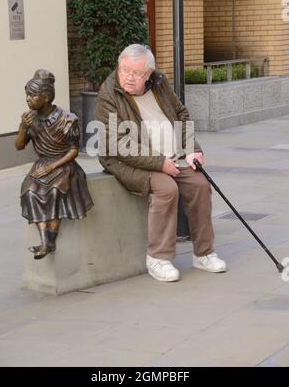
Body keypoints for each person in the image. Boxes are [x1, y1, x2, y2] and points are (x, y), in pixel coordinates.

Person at [96, 44, 226, 282]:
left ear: (148, 74)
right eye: (125, 70)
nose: (128, 77)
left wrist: (191, 150)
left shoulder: (159, 83)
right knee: (167, 189)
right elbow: (117, 143)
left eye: (136, 73)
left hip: (173, 155)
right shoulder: (109, 93)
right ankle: (158, 258)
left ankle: (204, 253)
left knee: (200, 185)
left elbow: (181, 114)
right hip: (129, 161)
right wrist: (159, 163)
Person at [15, 69, 93, 260]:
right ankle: (45, 242)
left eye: (32, 95)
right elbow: (18, 146)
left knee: (55, 191)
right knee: (30, 191)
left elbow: (74, 150)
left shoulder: (68, 119)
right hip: (42, 163)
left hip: (63, 164)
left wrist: (53, 166)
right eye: (27, 95)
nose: (28, 99)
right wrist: (23, 128)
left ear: (47, 97)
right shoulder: (29, 119)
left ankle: (50, 240)